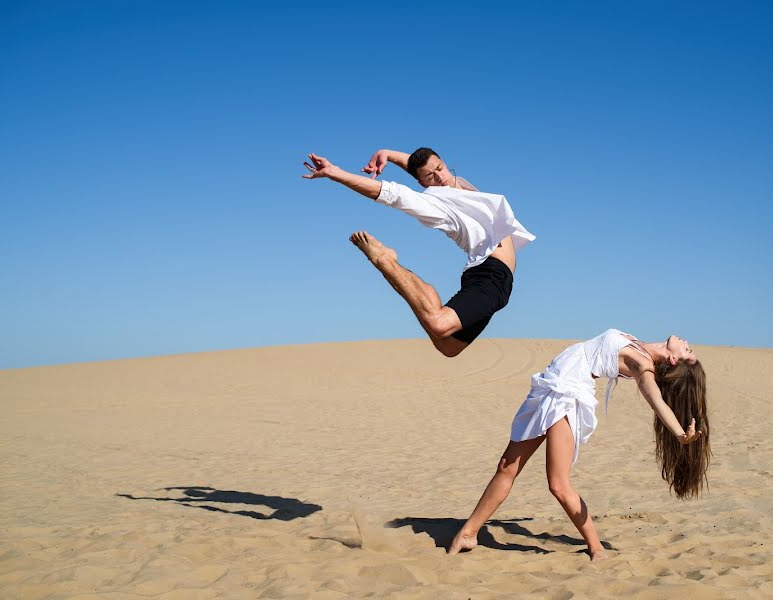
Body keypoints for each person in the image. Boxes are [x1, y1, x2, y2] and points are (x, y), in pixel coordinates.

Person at [448, 329, 710, 560]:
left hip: (567, 395)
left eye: (688, 350)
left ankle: (596, 548)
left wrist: (678, 433)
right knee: (507, 467)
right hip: (551, 387)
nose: (687, 342)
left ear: (674, 359)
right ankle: (469, 533)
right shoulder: (639, 345)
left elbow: (656, 400)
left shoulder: (643, 365)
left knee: (558, 484)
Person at [302, 147, 534, 357]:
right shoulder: (435, 204)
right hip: (490, 274)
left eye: (440, 168)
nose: (440, 177)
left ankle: (391, 264)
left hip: (493, 277)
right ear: (424, 184)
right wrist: (335, 172)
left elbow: (419, 167)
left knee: (449, 347)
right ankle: (386, 261)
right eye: (431, 177)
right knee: (438, 324)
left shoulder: (458, 186)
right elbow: (391, 194)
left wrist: (389, 154)